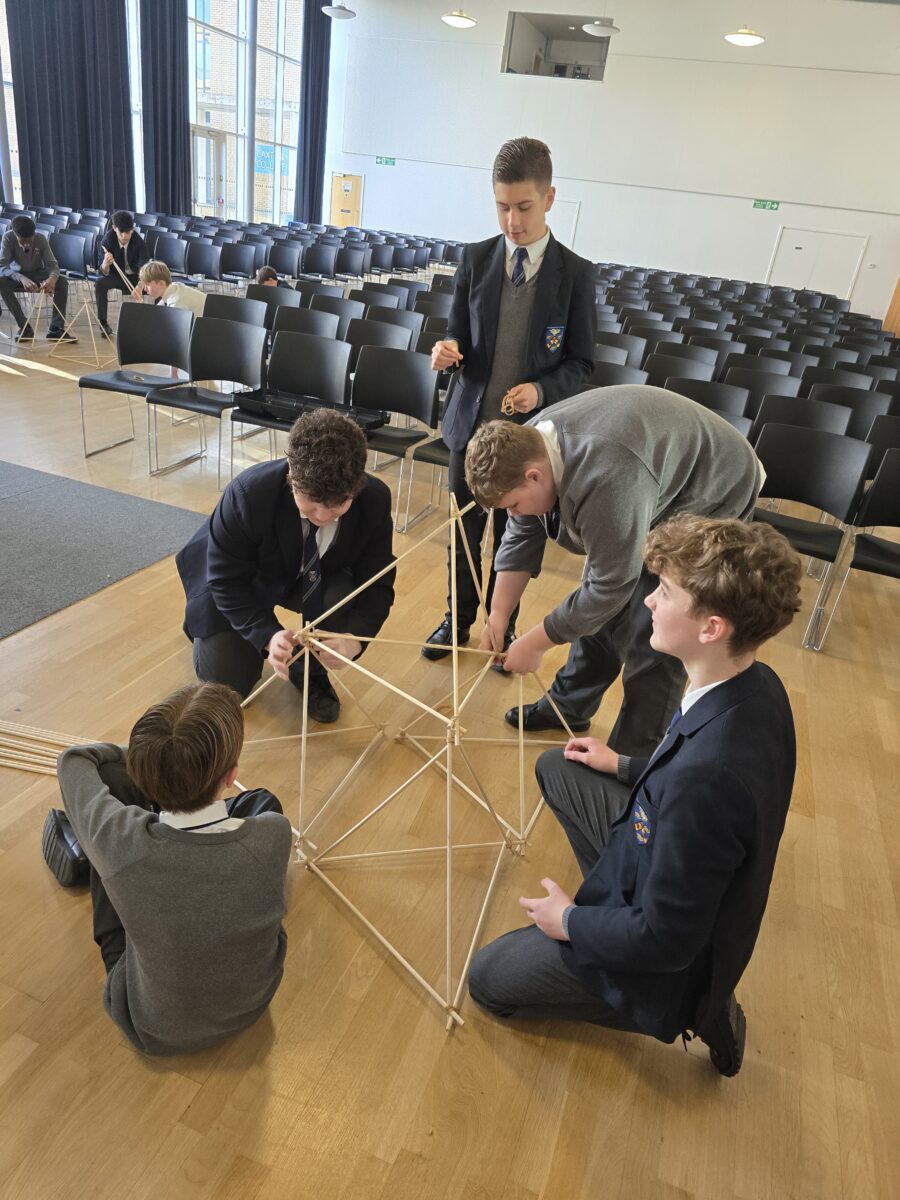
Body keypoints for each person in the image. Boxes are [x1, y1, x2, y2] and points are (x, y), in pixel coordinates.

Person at [468, 515, 801, 1076]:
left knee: (488, 979)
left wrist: (570, 921)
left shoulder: (708, 780)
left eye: (665, 592)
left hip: (666, 958)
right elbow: (690, 765)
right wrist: (623, 764)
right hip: (667, 851)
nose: (648, 601)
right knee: (561, 767)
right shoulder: (752, 681)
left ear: (711, 627)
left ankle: (702, 1008)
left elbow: (666, 939)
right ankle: (611, 914)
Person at [465, 385, 764, 754]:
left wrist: (535, 643)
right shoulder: (528, 446)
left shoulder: (606, 475)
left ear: (534, 477)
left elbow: (610, 585)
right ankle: (569, 708)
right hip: (648, 476)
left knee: (659, 633)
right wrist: (498, 614)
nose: (512, 513)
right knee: (600, 613)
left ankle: (633, 753)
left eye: (512, 504)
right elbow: (522, 535)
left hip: (713, 488)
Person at [421, 136, 595, 666]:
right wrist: (447, 351)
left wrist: (541, 390)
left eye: (522, 207)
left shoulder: (576, 274)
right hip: (469, 428)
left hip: (528, 441)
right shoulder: (475, 259)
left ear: (549, 198)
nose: (511, 221)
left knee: (512, 536)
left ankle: (505, 627)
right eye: (501, 207)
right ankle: (458, 618)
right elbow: (458, 334)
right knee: (463, 532)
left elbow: (583, 367)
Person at [57, 681, 292, 1056]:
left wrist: (155, 760)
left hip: (152, 1027)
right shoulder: (275, 836)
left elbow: (74, 760)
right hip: (253, 1005)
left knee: (110, 849)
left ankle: (84, 846)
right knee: (264, 803)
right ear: (230, 776)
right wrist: (183, 763)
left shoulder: (120, 840)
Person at [177, 409, 396, 724]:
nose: (322, 516)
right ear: (291, 473)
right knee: (227, 685)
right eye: (311, 503)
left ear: (357, 485)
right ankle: (213, 634)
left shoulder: (374, 500)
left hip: (315, 577)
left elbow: (377, 583)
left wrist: (354, 638)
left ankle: (310, 669)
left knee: (344, 598)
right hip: (249, 579)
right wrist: (267, 636)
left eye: (337, 506)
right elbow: (225, 581)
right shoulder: (248, 494)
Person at [0, 215, 76, 342]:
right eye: (23, 242)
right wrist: (21, 278)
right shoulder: (8, 237)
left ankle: (56, 329)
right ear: (14, 233)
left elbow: (53, 265)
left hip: (37, 274)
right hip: (16, 276)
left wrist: (52, 278)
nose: (27, 245)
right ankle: (25, 328)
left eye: (29, 241)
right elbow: (2, 266)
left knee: (62, 281)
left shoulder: (41, 238)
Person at [94, 209, 148, 336]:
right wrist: (106, 263)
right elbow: (102, 272)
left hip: (136, 277)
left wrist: (140, 287)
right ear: (114, 228)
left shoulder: (139, 242)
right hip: (116, 276)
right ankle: (103, 324)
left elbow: (145, 267)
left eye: (128, 232)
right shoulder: (107, 241)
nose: (124, 236)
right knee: (99, 283)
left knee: (157, 282)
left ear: (132, 229)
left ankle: (160, 320)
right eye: (121, 232)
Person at [137, 259, 207, 317]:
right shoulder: (174, 286)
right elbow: (159, 307)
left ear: (161, 283)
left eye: (147, 285)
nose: (145, 289)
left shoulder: (176, 303)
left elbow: (179, 329)